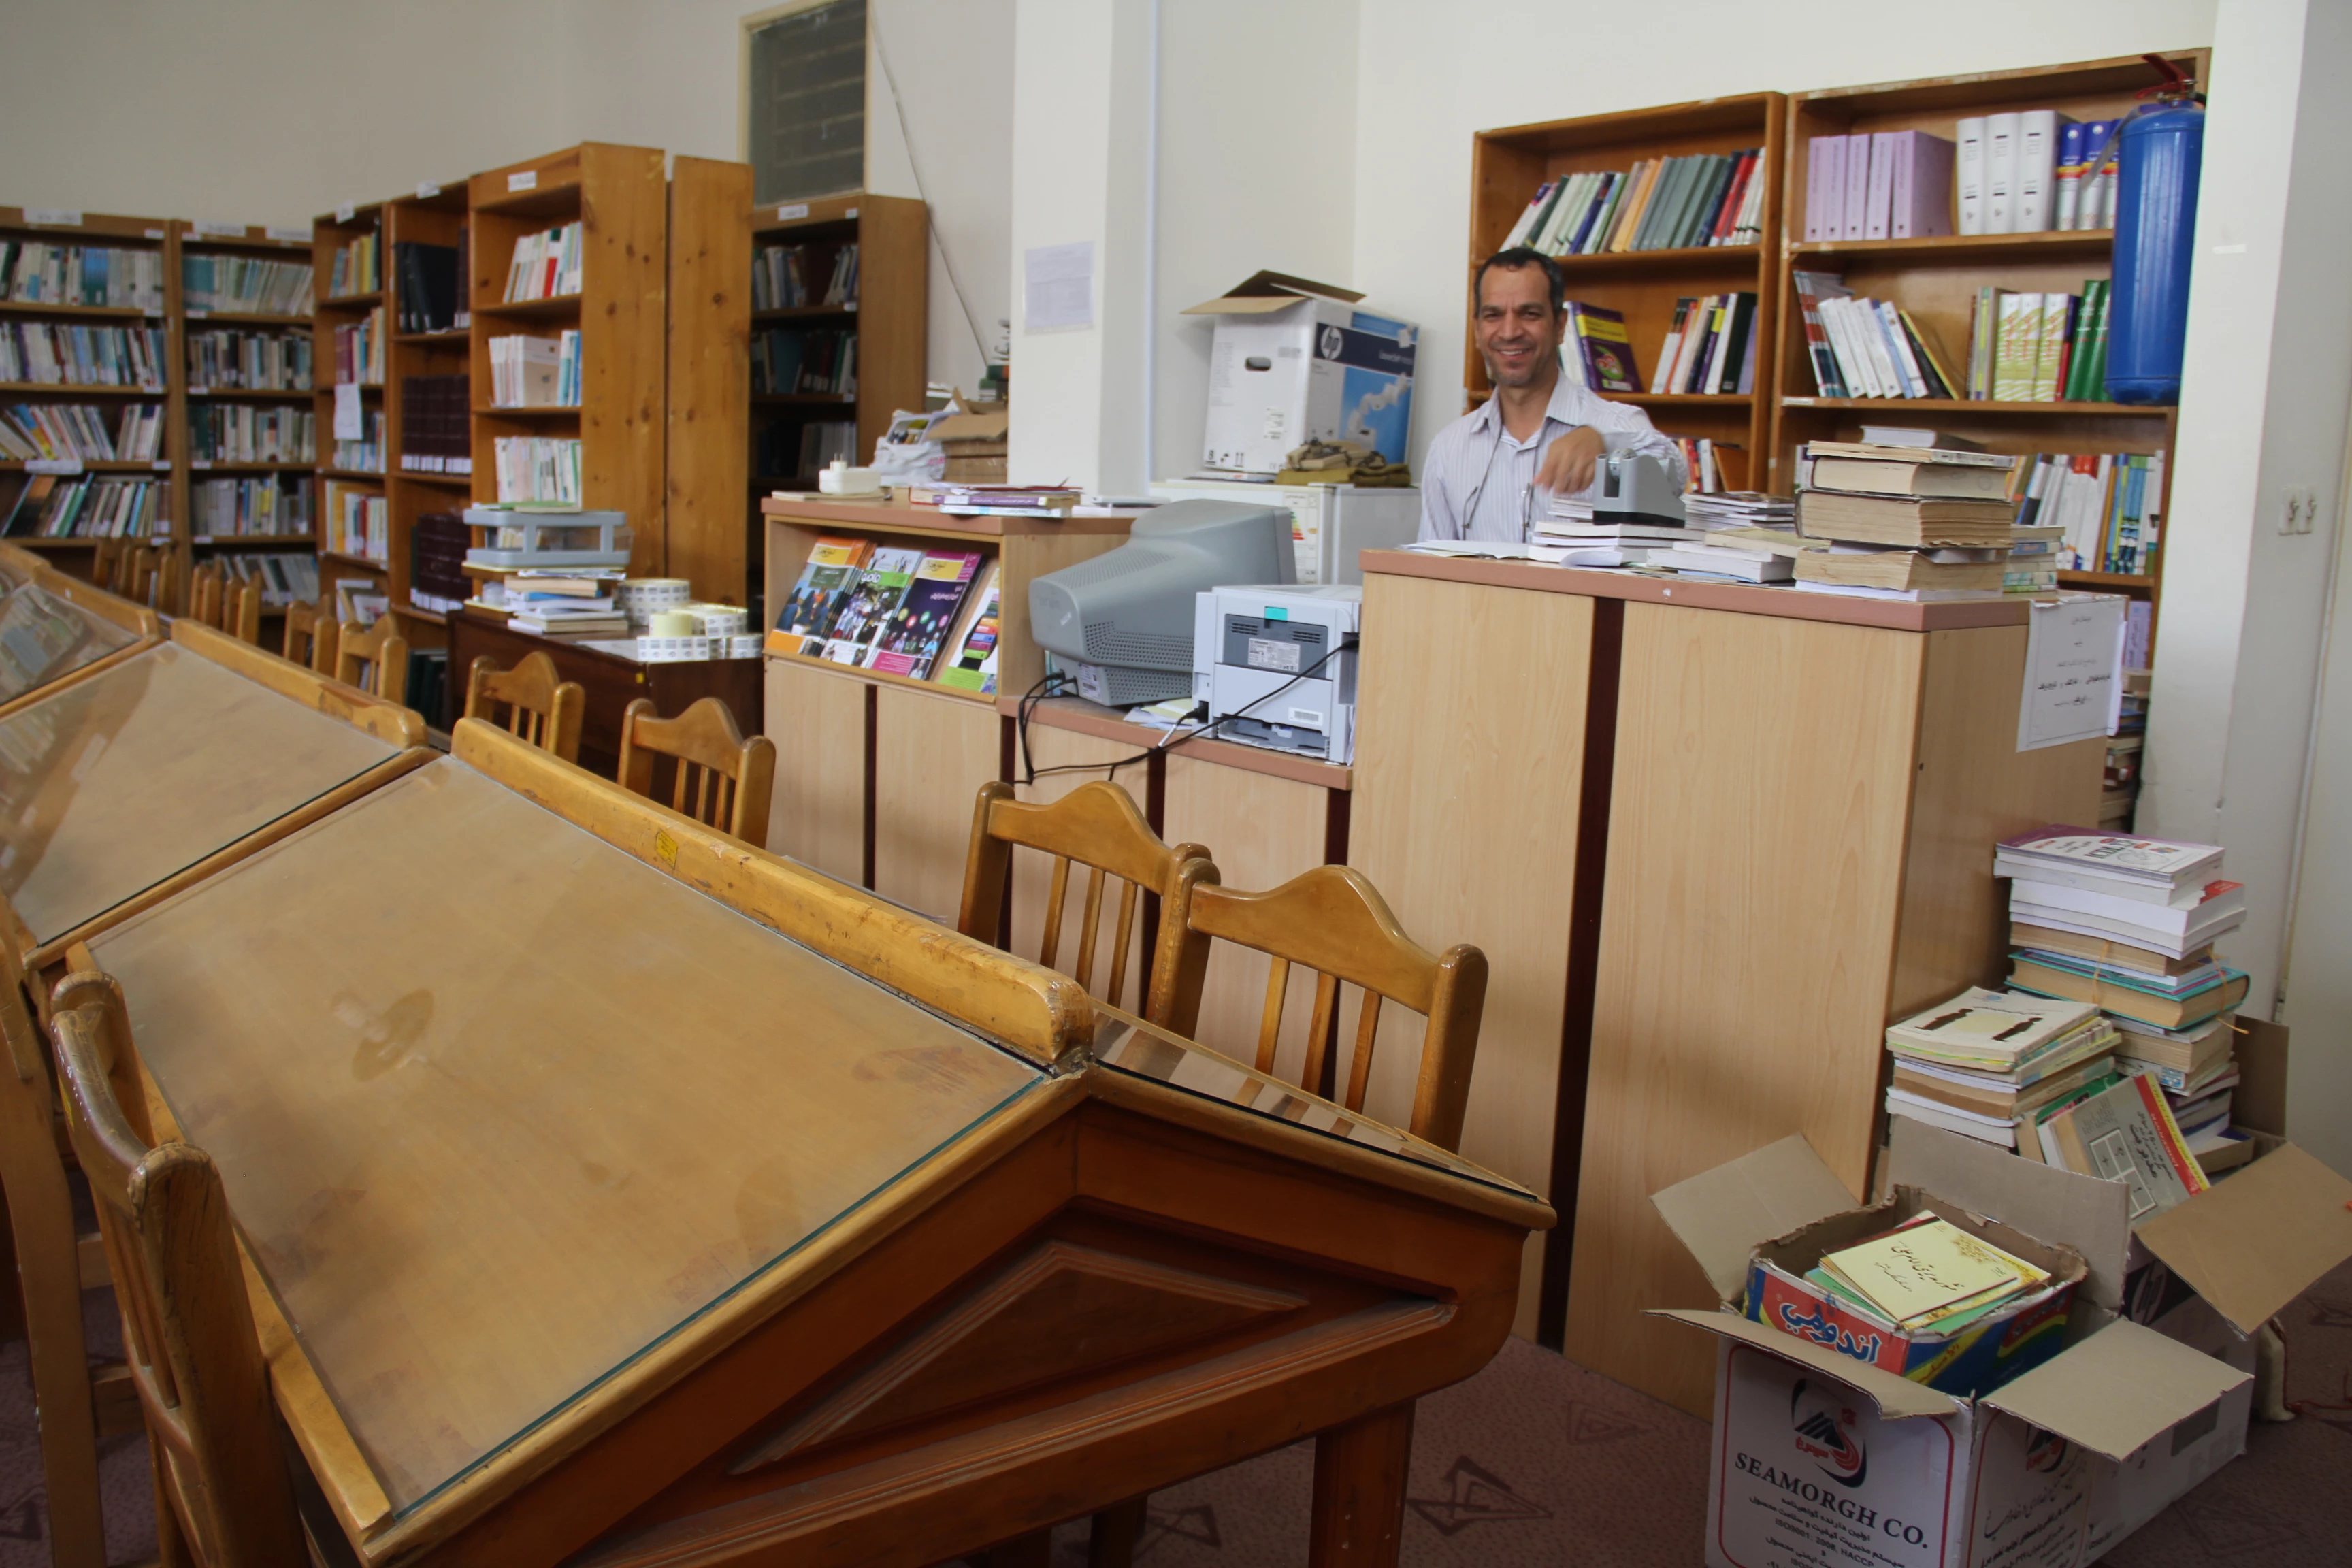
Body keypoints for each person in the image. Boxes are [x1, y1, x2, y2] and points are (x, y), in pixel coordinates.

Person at [1418, 246, 1686, 543]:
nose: (1509, 332)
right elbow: (1430, 564)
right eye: (1493, 315)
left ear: (1560, 326)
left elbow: (1675, 474)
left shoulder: (1615, 423)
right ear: (1478, 330)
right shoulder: (1448, 448)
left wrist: (1607, 443)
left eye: (1529, 314)